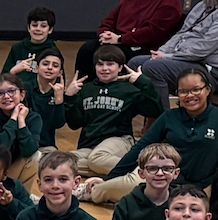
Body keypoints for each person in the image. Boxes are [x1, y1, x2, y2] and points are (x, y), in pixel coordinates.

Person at [92, 68, 218, 202]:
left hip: (200, 188)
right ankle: (89, 186)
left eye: (196, 90)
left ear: (208, 90)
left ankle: (91, 187)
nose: (190, 95)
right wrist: (113, 177)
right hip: (161, 179)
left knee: (132, 187)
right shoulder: (169, 117)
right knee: (109, 169)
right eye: (183, 91)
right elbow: (141, 148)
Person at [61, 46, 161, 181]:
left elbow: (155, 111)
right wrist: (70, 97)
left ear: (120, 68)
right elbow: (74, 124)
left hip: (120, 140)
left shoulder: (129, 89)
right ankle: (121, 172)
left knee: (96, 160)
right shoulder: (86, 89)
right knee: (61, 163)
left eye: (110, 64)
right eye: (100, 64)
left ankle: (148, 173)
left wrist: (144, 83)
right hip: (90, 145)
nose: (105, 68)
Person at [77, 0, 185, 74]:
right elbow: (111, 19)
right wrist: (104, 34)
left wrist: (120, 39)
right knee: (87, 49)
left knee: (106, 56)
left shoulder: (170, 0)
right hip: (117, 40)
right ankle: (83, 89)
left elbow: (153, 33)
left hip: (141, 47)